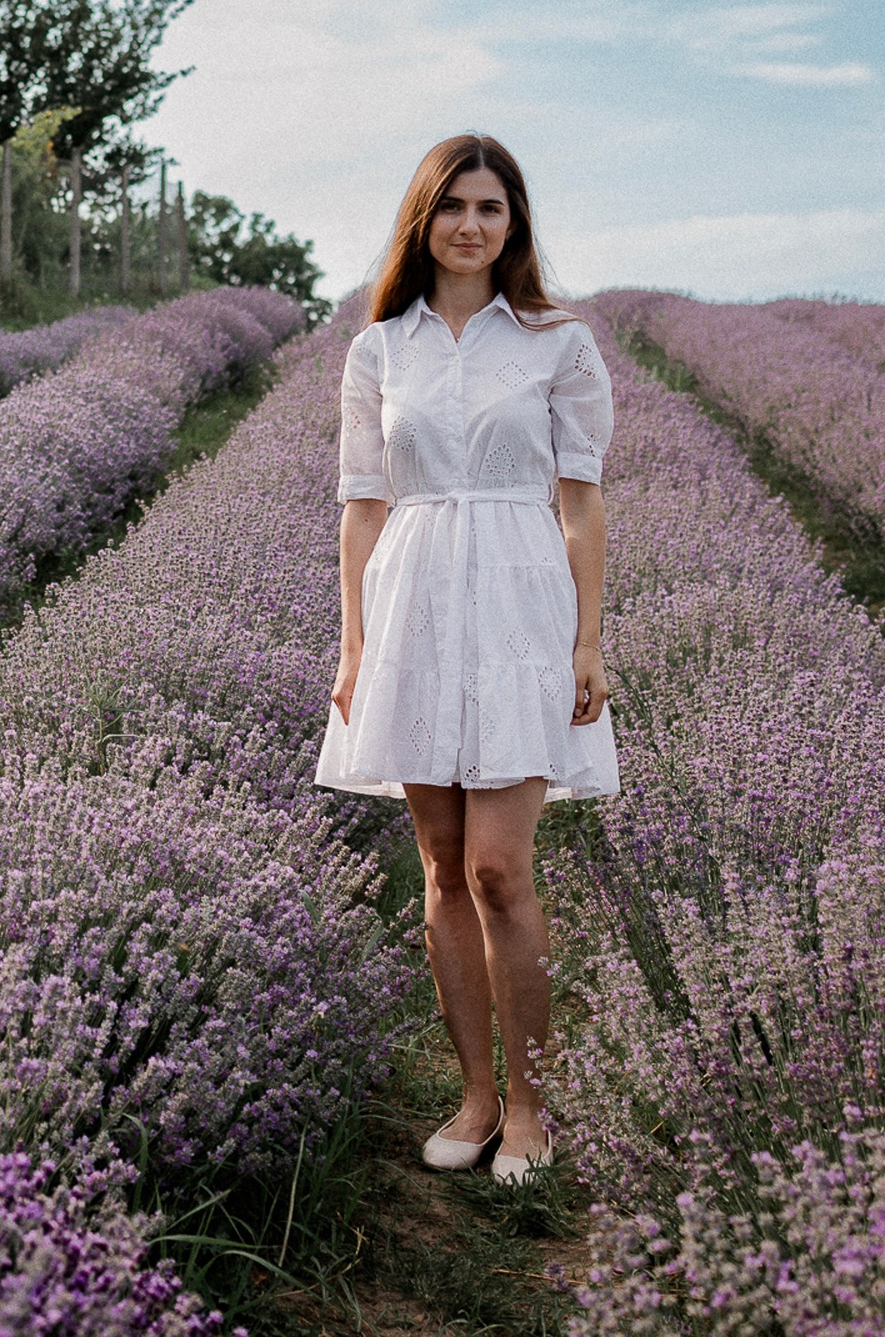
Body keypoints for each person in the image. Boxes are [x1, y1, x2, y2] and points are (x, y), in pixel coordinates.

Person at [316, 132, 618, 1186]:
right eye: (451, 205)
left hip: (520, 603)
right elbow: (361, 510)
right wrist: (354, 643)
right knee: (439, 867)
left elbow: (579, 505)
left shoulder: (555, 344)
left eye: (490, 206)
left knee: (499, 865)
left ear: (514, 223)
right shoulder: (377, 350)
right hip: (411, 602)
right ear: (422, 218)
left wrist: (587, 638)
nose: (470, 224)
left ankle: (531, 1105)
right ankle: (476, 1094)